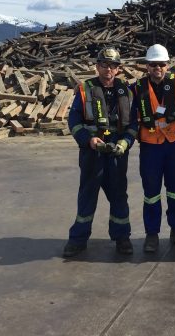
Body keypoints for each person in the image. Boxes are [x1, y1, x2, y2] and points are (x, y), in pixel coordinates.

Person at [63, 48, 138, 257]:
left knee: (118, 195)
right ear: (97, 66)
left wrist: (125, 142)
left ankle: (122, 237)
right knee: (87, 194)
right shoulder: (85, 89)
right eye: (104, 65)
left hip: (116, 151)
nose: (108, 69)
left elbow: (133, 123)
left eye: (113, 66)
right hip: (93, 151)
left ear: (118, 69)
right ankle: (78, 240)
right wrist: (89, 140)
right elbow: (74, 121)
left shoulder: (127, 91)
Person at [130, 44, 175, 252]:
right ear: (147, 67)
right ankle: (152, 233)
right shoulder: (136, 88)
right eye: (153, 65)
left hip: (173, 144)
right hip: (150, 147)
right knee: (151, 192)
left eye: (161, 64)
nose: (157, 68)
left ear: (167, 65)